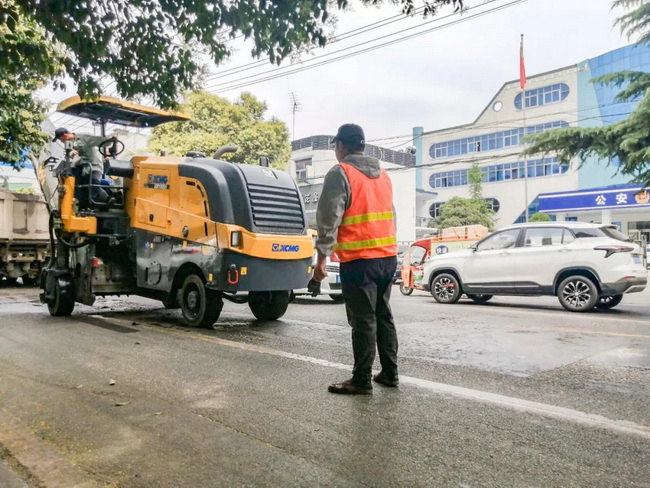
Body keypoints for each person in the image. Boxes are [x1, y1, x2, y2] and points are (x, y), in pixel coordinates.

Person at [314, 123, 399, 395]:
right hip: (387, 257)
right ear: (362, 145)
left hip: (359, 261)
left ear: (340, 145)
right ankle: (389, 373)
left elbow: (329, 218)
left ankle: (361, 380)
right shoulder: (384, 175)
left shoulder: (341, 172)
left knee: (363, 320)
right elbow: (391, 216)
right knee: (383, 315)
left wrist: (321, 260)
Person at [52, 128, 111, 204]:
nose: (61, 141)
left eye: (61, 139)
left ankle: (106, 198)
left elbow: (98, 141)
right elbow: (69, 152)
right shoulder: (68, 144)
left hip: (94, 166)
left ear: (65, 135)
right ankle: (79, 201)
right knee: (76, 180)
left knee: (93, 181)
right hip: (83, 168)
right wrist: (72, 153)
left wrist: (110, 140)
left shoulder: (83, 137)